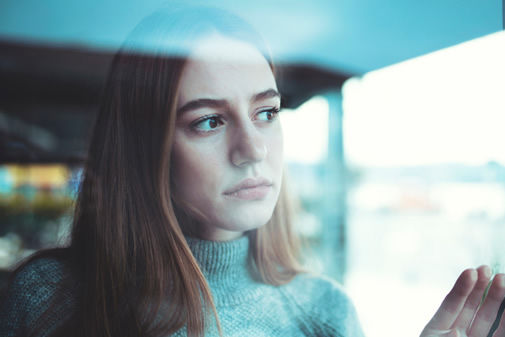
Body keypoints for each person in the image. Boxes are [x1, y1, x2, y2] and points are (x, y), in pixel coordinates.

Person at [0, 5, 504, 337]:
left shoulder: (324, 314)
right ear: (142, 147)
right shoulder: (48, 297)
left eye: (266, 113)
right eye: (209, 121)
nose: (253, 148)